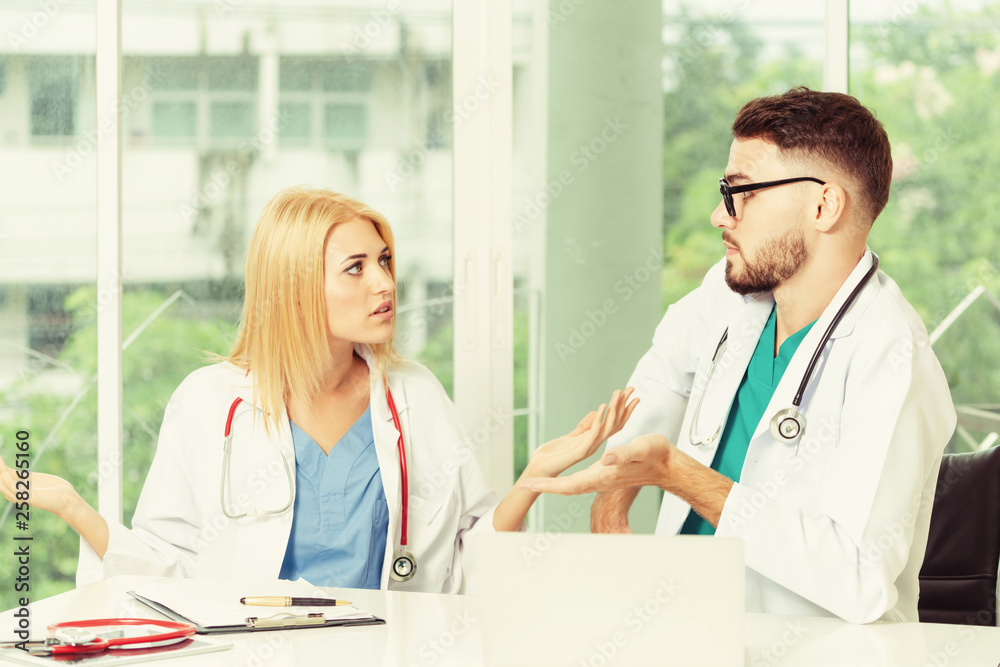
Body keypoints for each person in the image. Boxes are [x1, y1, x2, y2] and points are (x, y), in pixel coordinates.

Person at [0, 186, 637, 594]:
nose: (384, 284)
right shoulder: (207, 403)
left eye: (384, 261)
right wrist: (76, 510)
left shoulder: (413, 396)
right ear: (295, 285)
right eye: (355, 268)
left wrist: (529, 481)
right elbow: (174, 575)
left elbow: (471, 564)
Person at [523, 87, 956, 624]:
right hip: (684, 628)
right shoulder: (731, 293)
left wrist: (678, 474)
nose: (718, 215)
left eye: (742, 192)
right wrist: (615, 496)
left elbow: (859, 579)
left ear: (824, 205)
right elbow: (662, 376)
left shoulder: (891, 357)